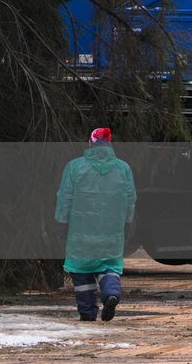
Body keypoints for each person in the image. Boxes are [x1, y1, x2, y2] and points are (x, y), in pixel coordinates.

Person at [55, 127, 137, 322]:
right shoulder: (123, 168)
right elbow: (130, 199)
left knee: (81, 272)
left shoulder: (75, 167)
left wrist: (61, 222)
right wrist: (128, 222)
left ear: (90, 142)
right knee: (109, 267)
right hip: (112, 232)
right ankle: (111, 294)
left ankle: (88, 312)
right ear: (109, 143)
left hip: (80, 232)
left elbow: (65, 197)